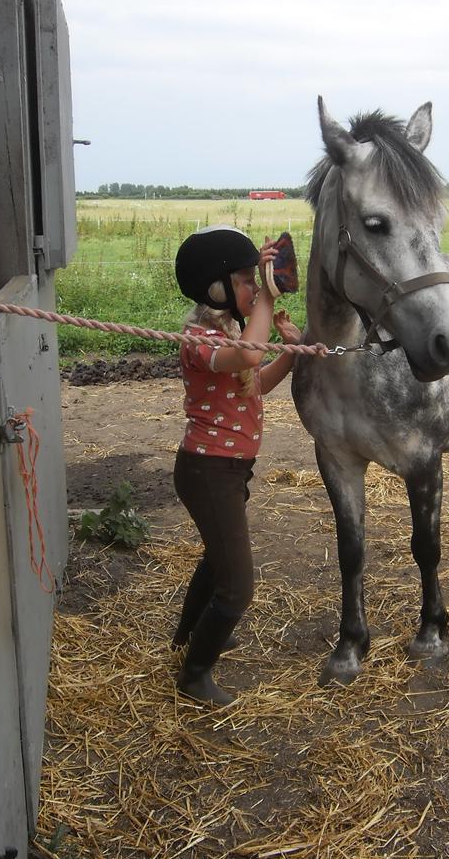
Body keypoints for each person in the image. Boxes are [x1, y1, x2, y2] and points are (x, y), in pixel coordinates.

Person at [170, 225, 303, 705]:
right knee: (238, 588)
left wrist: (289, 352)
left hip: (228, 472)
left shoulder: (226, 332)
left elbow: (257, 381)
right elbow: (248, 353)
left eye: (255, 279)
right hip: (207, 472)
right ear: (217, 287)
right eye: (246, 279)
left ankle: (188, 637)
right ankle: (194, 676)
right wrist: (267, 300)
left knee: (216, 561)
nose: (254, 287)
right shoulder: (197, 339)